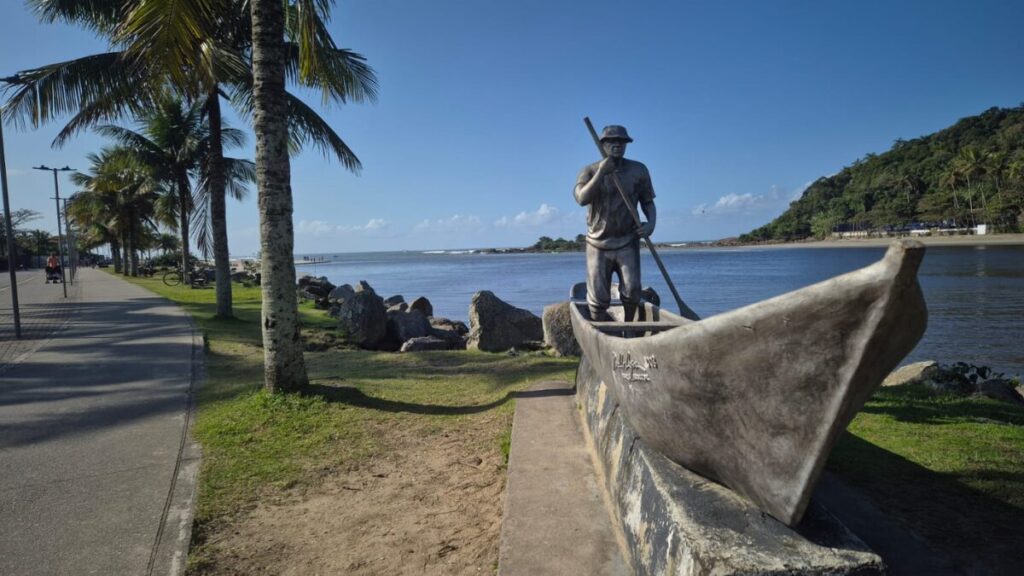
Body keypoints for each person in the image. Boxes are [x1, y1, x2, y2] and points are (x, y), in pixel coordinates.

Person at [574, 124, 656, 322]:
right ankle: (600, 331)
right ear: (603, 144)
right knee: (598, 296)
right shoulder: (590, 170)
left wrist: (651, 224)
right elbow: (581, 198)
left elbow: (648, 202)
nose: (617, 145)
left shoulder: (639, 170)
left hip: (627, 240)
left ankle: (629, 328)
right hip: (598, 243)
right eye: (611, 141)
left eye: (621, 141)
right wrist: (602, 172)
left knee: (633, 289)